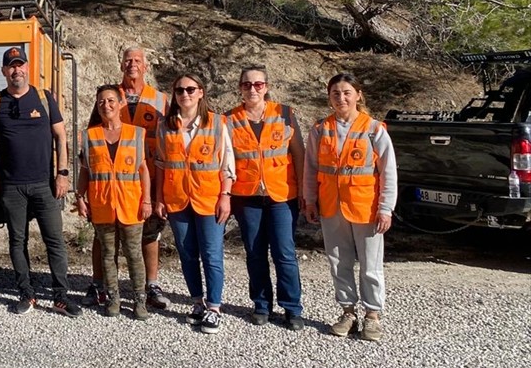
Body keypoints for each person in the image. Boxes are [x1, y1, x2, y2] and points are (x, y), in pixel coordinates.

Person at [0, 46, 80, 317]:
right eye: (11, 66)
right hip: (12, 187)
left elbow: (61, 136)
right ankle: (26, 293)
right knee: (17, 241)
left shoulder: (44, 98)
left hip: (44, 184)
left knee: (54, 240)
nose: (16, 70)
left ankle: (60, 296)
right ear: (3, 71)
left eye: (20, 65)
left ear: (27, 68)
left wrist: (63, 173)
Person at [303, 73, 397, 342]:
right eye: (335, 93)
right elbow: (311, 168)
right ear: (329, 97)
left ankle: (373, 316)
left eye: (346, 92)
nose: (341, 98)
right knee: (338, 262)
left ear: (358, 94)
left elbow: (388, 171)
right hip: (331, 206)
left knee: (370, 264)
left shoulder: (374, 129)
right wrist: (310, 199)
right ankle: (348, 312)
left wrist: (386, 208)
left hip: (366, 206)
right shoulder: (320, 129)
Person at [85, 47, 171, 312]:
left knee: (148, 237)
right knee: (104, 240)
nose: (132, 64)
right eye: (127, 60)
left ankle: (150, 286)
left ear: (146, 66)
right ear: (121, 65)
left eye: (137, 61)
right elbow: (91, 143)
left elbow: (172, 140)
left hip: (147, 179)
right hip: (108, 189)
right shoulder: (109, 96)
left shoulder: (160, 99)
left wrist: (158, 192)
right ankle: (100, 286)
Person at [154, 72, 234, 334]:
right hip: (177, 200)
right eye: (179, 90)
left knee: (211, 254)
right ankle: (197, 302)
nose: (185, 94)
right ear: (174, 95)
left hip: (209, 199)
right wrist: (158, 198)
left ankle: (214, 308)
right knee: (187, 253)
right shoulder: (165, 125)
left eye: (190, 89)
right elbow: (161, 165)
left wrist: (226, 196)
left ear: (201, 92)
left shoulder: (217, 123)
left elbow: (227, 164)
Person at [228, 65, 306, 331]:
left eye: (258, 84)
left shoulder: (284, 114)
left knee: (284, 252)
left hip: (282, 195)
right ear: (239, 88)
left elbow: (299, 154)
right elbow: (224, 161)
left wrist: (306, 191)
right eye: (247, 85)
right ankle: (261, 305)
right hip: (247, 196)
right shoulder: (229, 119)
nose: (253, 89)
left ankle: (292, 308)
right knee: (255, 253)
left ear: (267, 87)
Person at [76, 85, 153, 319]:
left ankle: (140, 300)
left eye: (111, 101)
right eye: (101, 102)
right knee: (108, 254)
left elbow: (143, 170)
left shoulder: (137, 133)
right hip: (102, 205)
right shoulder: (89, 136)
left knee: (134, 254)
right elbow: (85, 172)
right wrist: (80, 198)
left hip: (131, 204)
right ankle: (113, 299)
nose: (106, 105)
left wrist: (147, 200)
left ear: (120, 104)